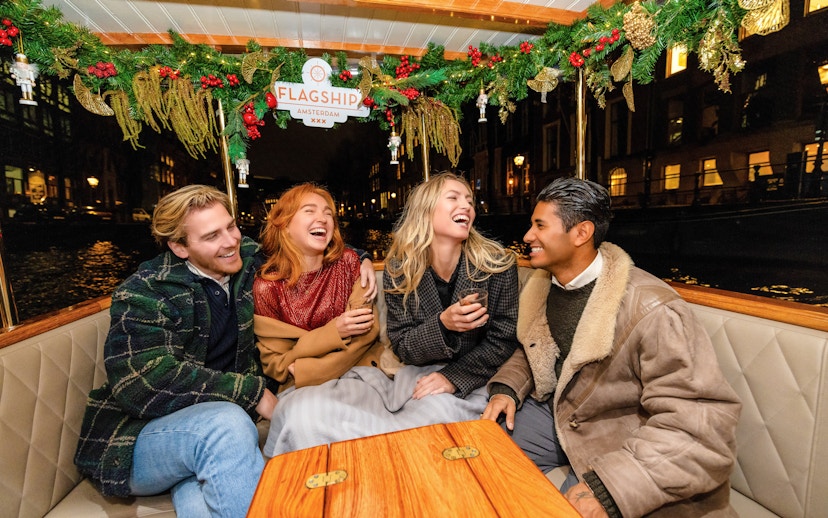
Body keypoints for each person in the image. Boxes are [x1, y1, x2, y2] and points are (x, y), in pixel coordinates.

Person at [73, 184, 376, 517]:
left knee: (203, 486)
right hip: (138, 438)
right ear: (180, 247)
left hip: (212, 437)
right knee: (227, 424)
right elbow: (140, 384)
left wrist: (361, 258)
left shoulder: (245, 258)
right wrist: (251, 392)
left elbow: (302, 239)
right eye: (212, 236)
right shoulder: (145, 292)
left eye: (231, 226)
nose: (231, 241)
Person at [483, 177, 741, 518]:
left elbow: (702, 427)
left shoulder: (654, 309)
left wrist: (609, 490)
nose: (528, 236)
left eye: (540, 225)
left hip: (619, 437)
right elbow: (533, 348)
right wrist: (507, 389)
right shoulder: (545, 285)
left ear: (581, 233)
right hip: (557, 414)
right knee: (481, 456)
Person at [262, 172, 519, 456]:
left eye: (469, 201)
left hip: (469, 376)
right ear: (426, 210)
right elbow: (403, 345)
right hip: (411, 374)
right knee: (308, 414)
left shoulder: (498, 266)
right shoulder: (401, 268)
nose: (466, 206)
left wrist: (454, 377)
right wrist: (443, 324)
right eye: (454, 198)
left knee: (430, 418)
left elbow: (503, 341)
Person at [253, 183, 383, 390]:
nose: (322, 218)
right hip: (302, 390)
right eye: (309, 211)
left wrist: (308, 370)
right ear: (285, 225)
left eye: (328, 213)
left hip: (360, 372)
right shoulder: (267, 287)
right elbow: (276, 364)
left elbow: (366, 334)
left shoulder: (348, 263)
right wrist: (335, 332)